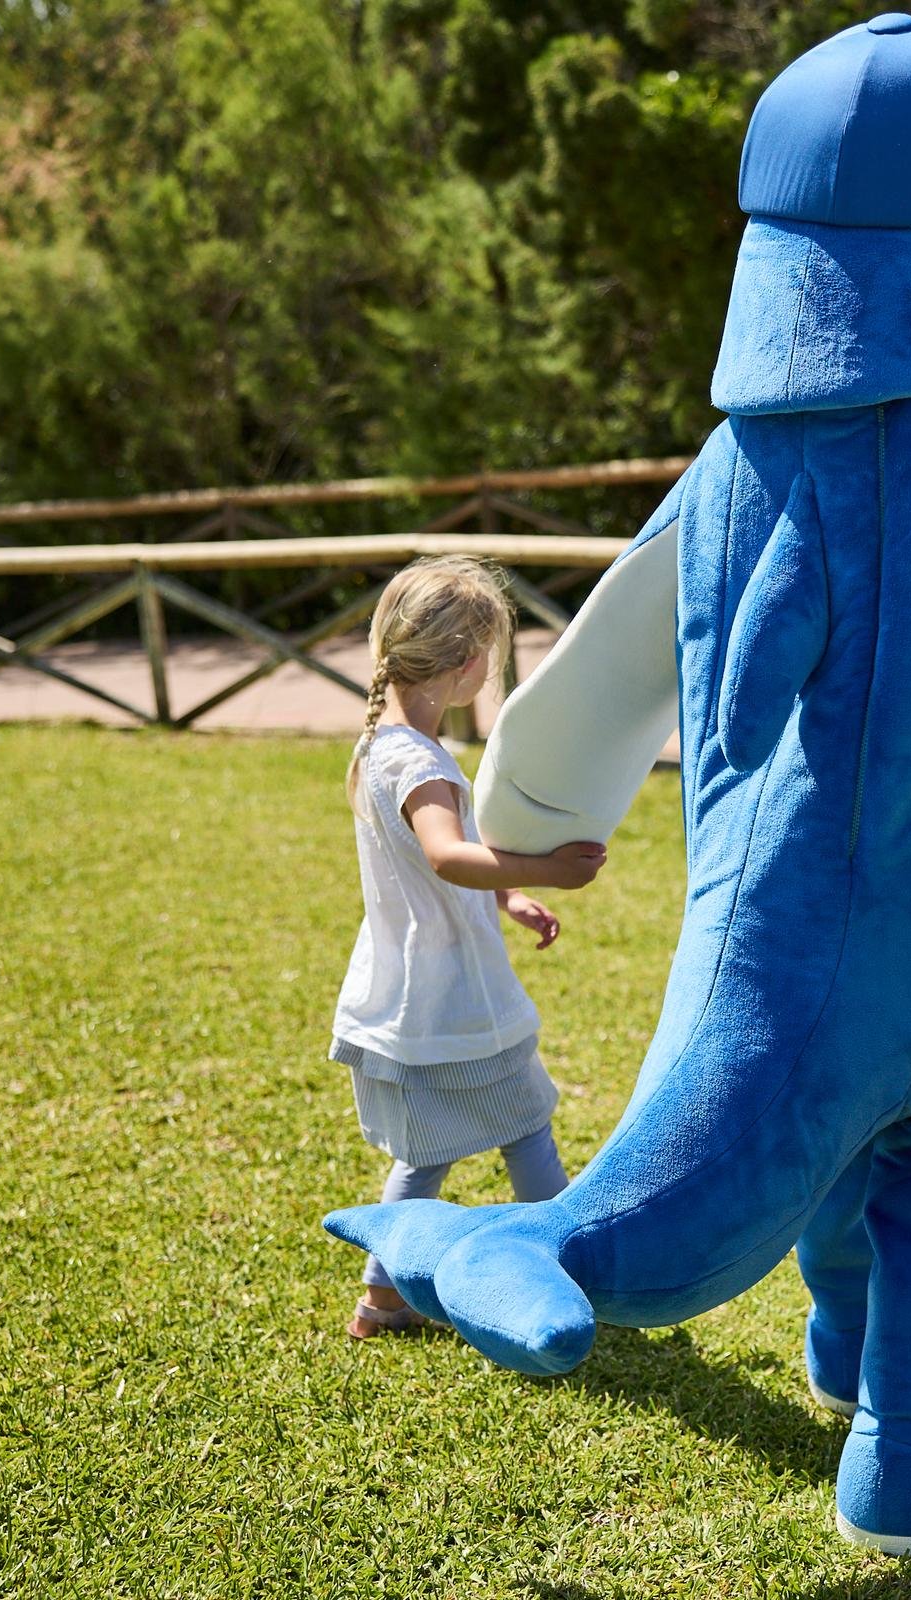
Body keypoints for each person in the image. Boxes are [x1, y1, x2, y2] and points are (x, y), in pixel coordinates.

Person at [330, 555, 605, 1339]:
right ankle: (572, 1275)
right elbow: (448, 854)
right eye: (489, 650)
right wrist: (547, 870)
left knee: (426, 1153)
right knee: (526, 1124)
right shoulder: (418, 761)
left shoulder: (380, 743)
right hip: (456, 996)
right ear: (461, 663)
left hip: (415, 991)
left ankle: (380, 1303)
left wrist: (505, 894)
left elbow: (441, 865)